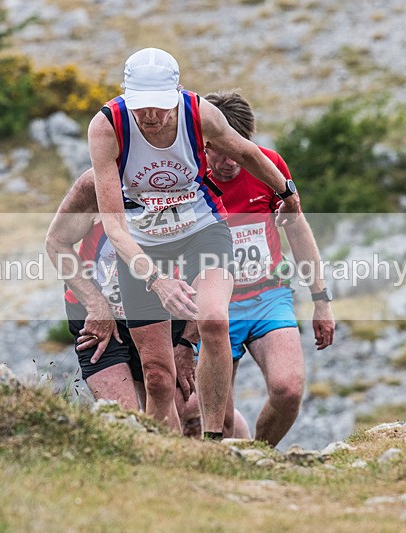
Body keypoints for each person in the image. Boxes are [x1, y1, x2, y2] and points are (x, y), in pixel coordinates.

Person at [87, 48, 300, 438]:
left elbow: (248, 152)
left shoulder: (200, 113)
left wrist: (286, 191)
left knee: (214, 319)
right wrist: (157, 280)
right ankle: (161, 459)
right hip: (141, 245)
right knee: (157, 376)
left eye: (160, 107)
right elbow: (115, 227)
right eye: (141, 107)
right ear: (125, 96)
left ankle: (216, 439)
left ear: (177, 93)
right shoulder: (106, 127)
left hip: (201, 229)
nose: (150, 116)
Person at [203, 90, 336, 446]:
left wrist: (321, 300)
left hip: (267, 296)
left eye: (241, 148)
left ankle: (259, 455)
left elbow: (297, 229)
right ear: (205, 144)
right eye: (223, 150)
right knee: (221, 422)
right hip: (215, 306)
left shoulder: (268, 166)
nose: (233, 161)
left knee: (288, 390)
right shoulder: (190, 178)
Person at [45, 170, 199, 411]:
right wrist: (97, 306)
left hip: (161, 312)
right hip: (97, 313)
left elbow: (213, 262)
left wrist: (187, 340)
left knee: (176, 406)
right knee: (123, 416)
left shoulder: (187, 174)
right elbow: (56, 242)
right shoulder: (95, 182)